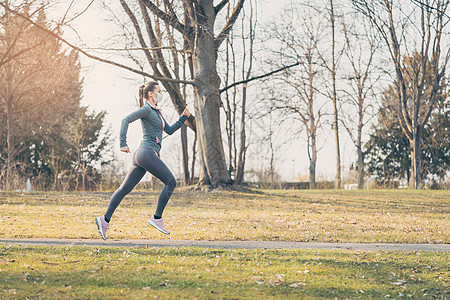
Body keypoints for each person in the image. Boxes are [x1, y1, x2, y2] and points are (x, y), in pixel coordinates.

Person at [96, 81, 190, 240]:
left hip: (141, 155)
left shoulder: (157, 112)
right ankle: (157, 218)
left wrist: (182, 118)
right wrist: (123, 143)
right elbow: (125, 120)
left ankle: (104, 220)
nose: (161, 94)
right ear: (151, 94)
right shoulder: (146, 109)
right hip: (146, 153)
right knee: (171, 182)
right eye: (159, 91)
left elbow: (169, 130)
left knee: (124, 189)